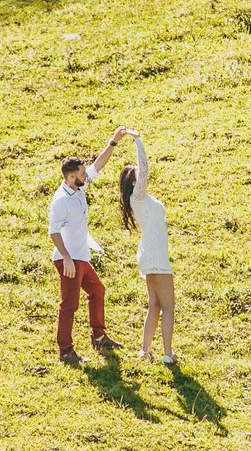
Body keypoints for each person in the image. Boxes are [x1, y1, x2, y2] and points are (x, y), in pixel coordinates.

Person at [47, 127, 126, 364]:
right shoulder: (61, 200)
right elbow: (53, 231)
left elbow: (97, 166)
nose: (86, 175)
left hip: (81, 256)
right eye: (81, 172)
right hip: (68, 260)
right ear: (72, 176)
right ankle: (65, 351)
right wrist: (66, 258)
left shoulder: (78, 187)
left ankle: (99, 336)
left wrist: (113, 141)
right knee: (69, 305)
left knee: (97, 291)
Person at [116, 128, 177, 364]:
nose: (143, 174)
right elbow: (145, 169)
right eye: (138, 174)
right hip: (156, 257)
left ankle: (145, 350)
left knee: (155, 304)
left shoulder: (140, 200)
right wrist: (138, 139)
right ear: (134, 181)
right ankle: (168, 353)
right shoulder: (138, 197)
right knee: (169, 306)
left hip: (150, 255)